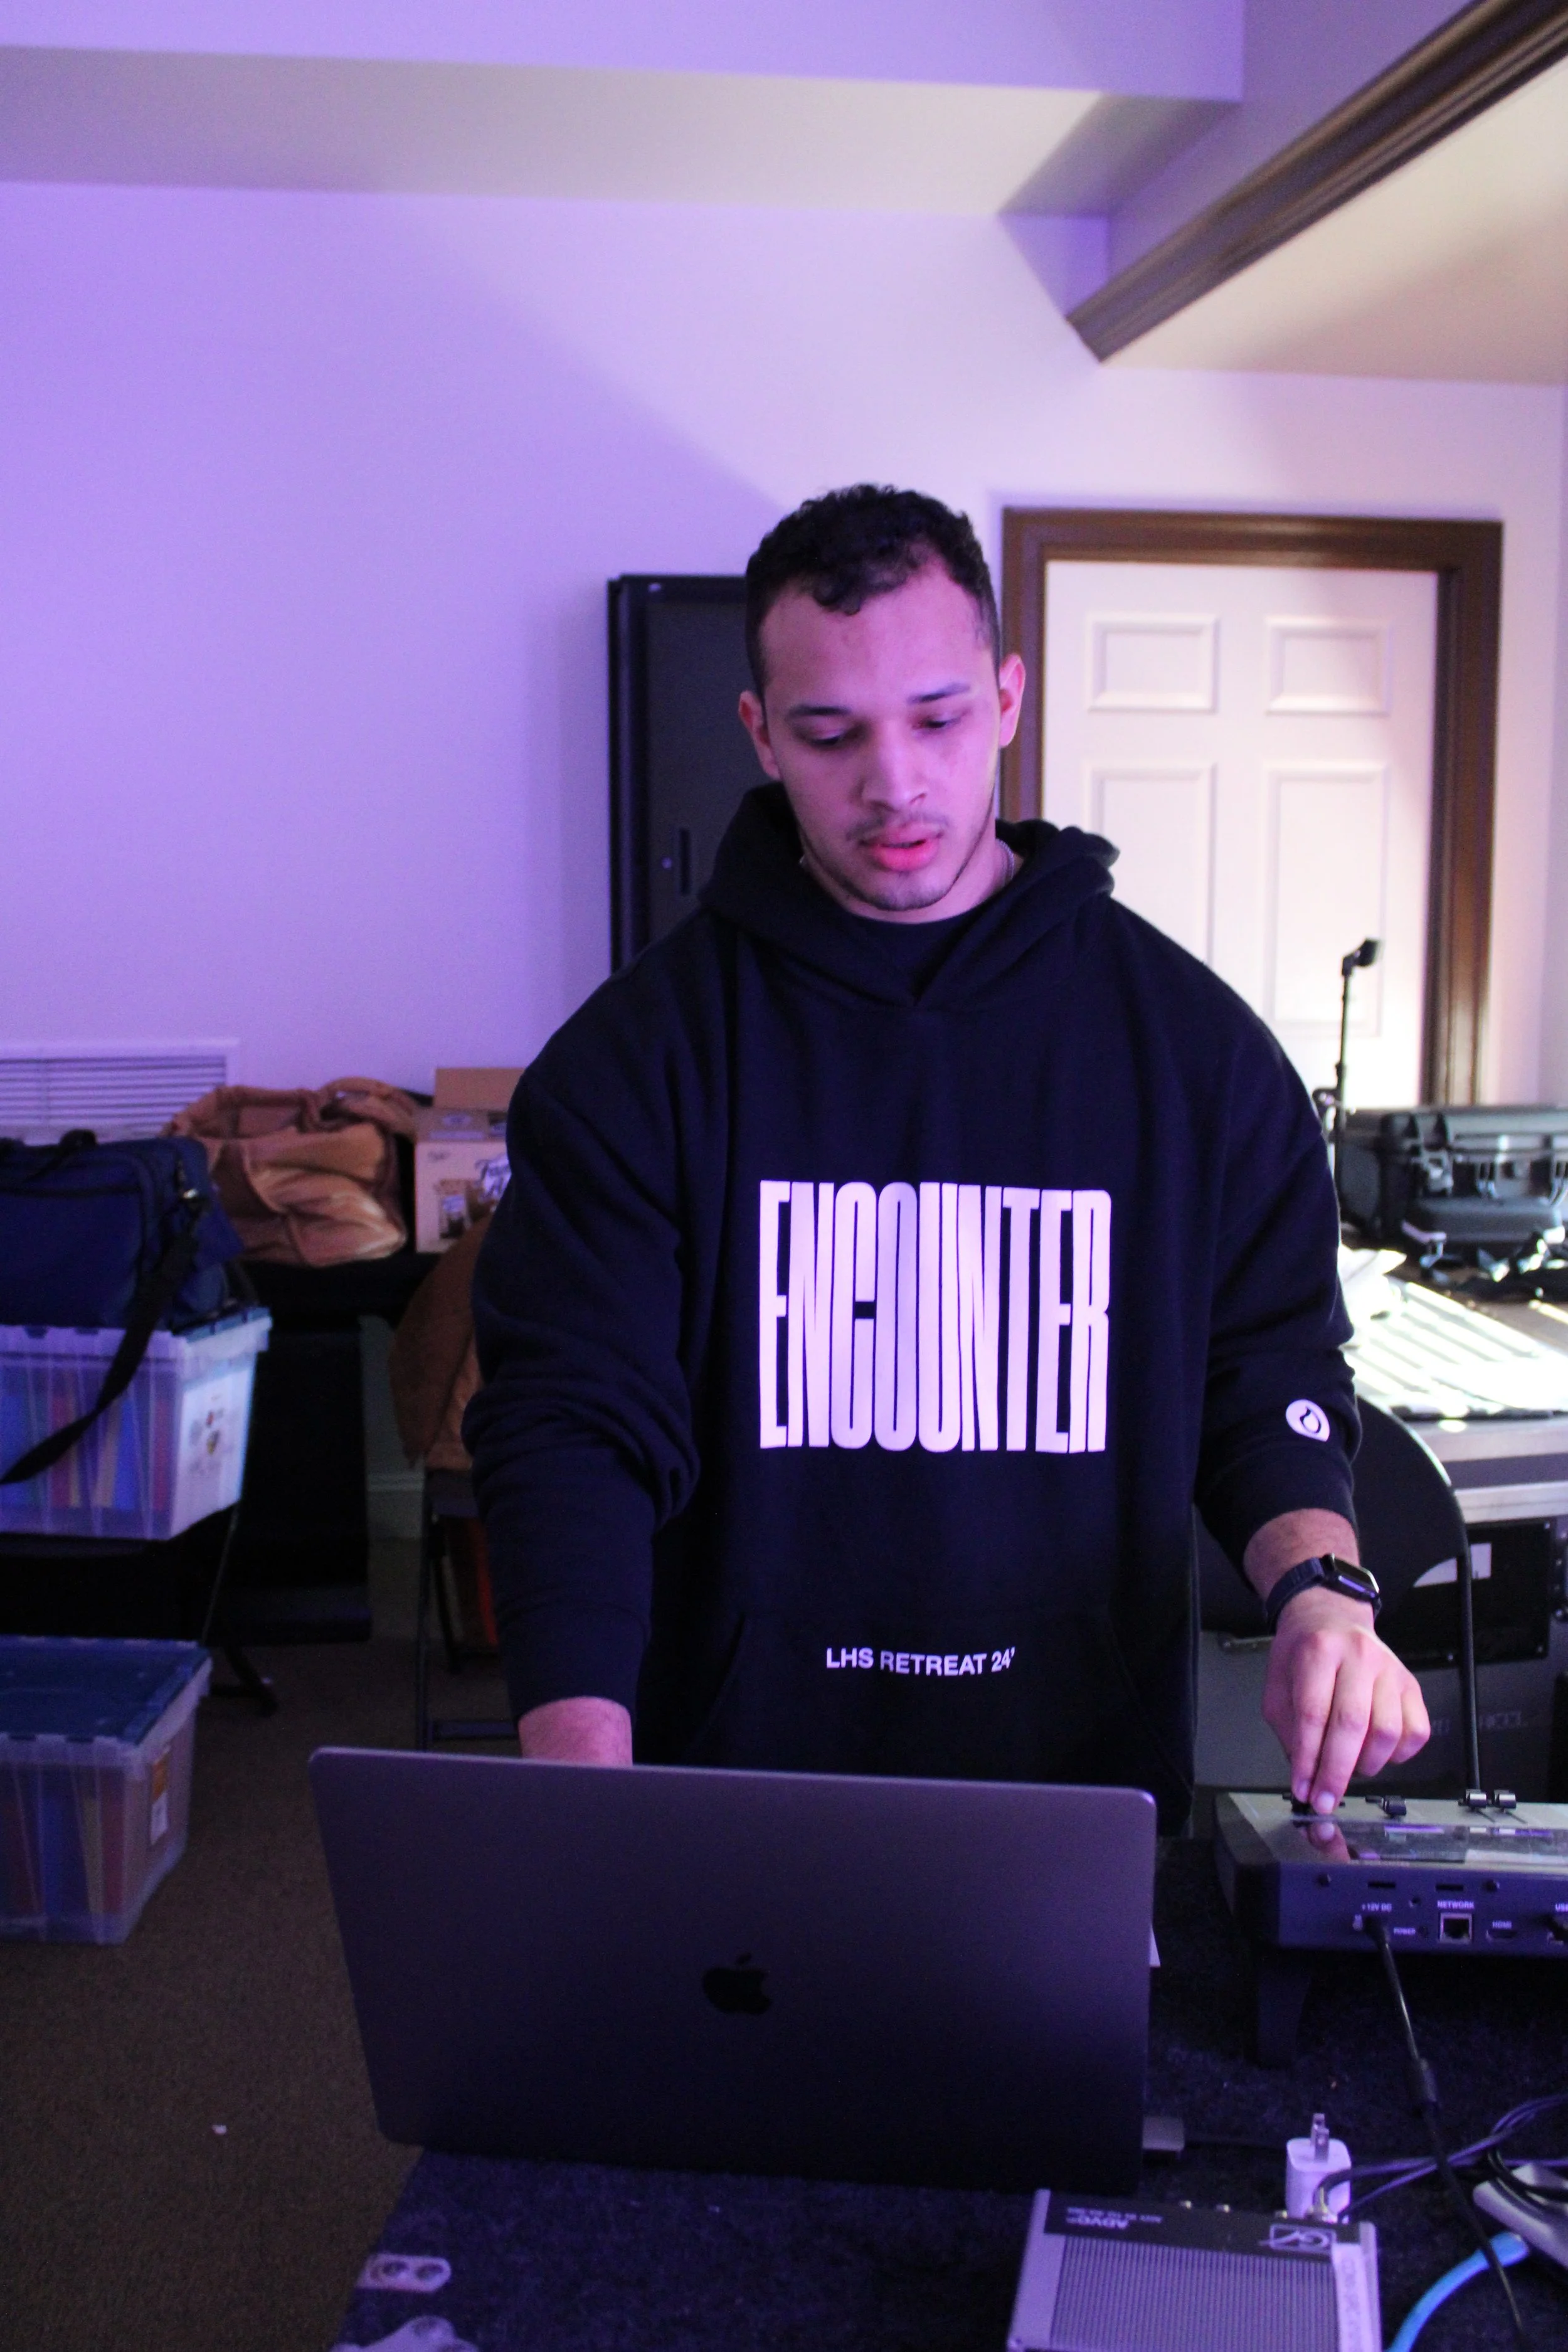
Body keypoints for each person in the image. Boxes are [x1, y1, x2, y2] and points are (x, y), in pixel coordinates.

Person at [466, 484, 1428, 1828]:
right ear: (758, 734)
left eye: (937, 718)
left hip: (1074, 1788)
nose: (893, 783)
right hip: (730, 1788)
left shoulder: (1195, 1055)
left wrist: (1320, 1591)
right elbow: (571, 1427)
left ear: (1008, 699)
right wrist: (578, 1797)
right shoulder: (637, 1063)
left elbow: (1262, 1370)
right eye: (828, 733)